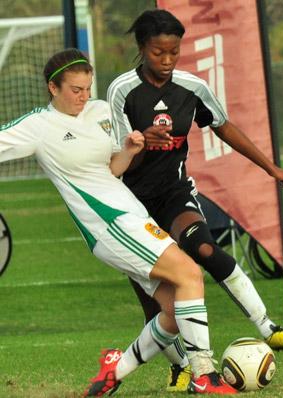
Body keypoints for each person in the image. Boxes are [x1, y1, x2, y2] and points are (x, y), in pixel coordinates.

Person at [0, 48, 238, 396]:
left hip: (131, 215)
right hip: (109, 224)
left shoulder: (99, 111)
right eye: (75, 90)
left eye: (88, 87)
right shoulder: (38, 126)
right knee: (190, 274)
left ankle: (115, 370)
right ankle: (203, 373)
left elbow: (113, 169)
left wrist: (128, 148)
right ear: (53, 88)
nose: (84, 96)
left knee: (172, 312)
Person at [107, 8, 283, 392]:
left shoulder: (192, 88)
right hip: (130, 206)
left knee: (207, 249)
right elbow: (117, 159)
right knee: (159, 304)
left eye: (174, 52)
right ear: (142, 48)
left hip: (175, 195)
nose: (166, 60)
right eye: (158, 52)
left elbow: (224, 126)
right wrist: (143, 141)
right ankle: (180, 365)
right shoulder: (122, 91)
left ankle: (269, 328)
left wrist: (270, 168)